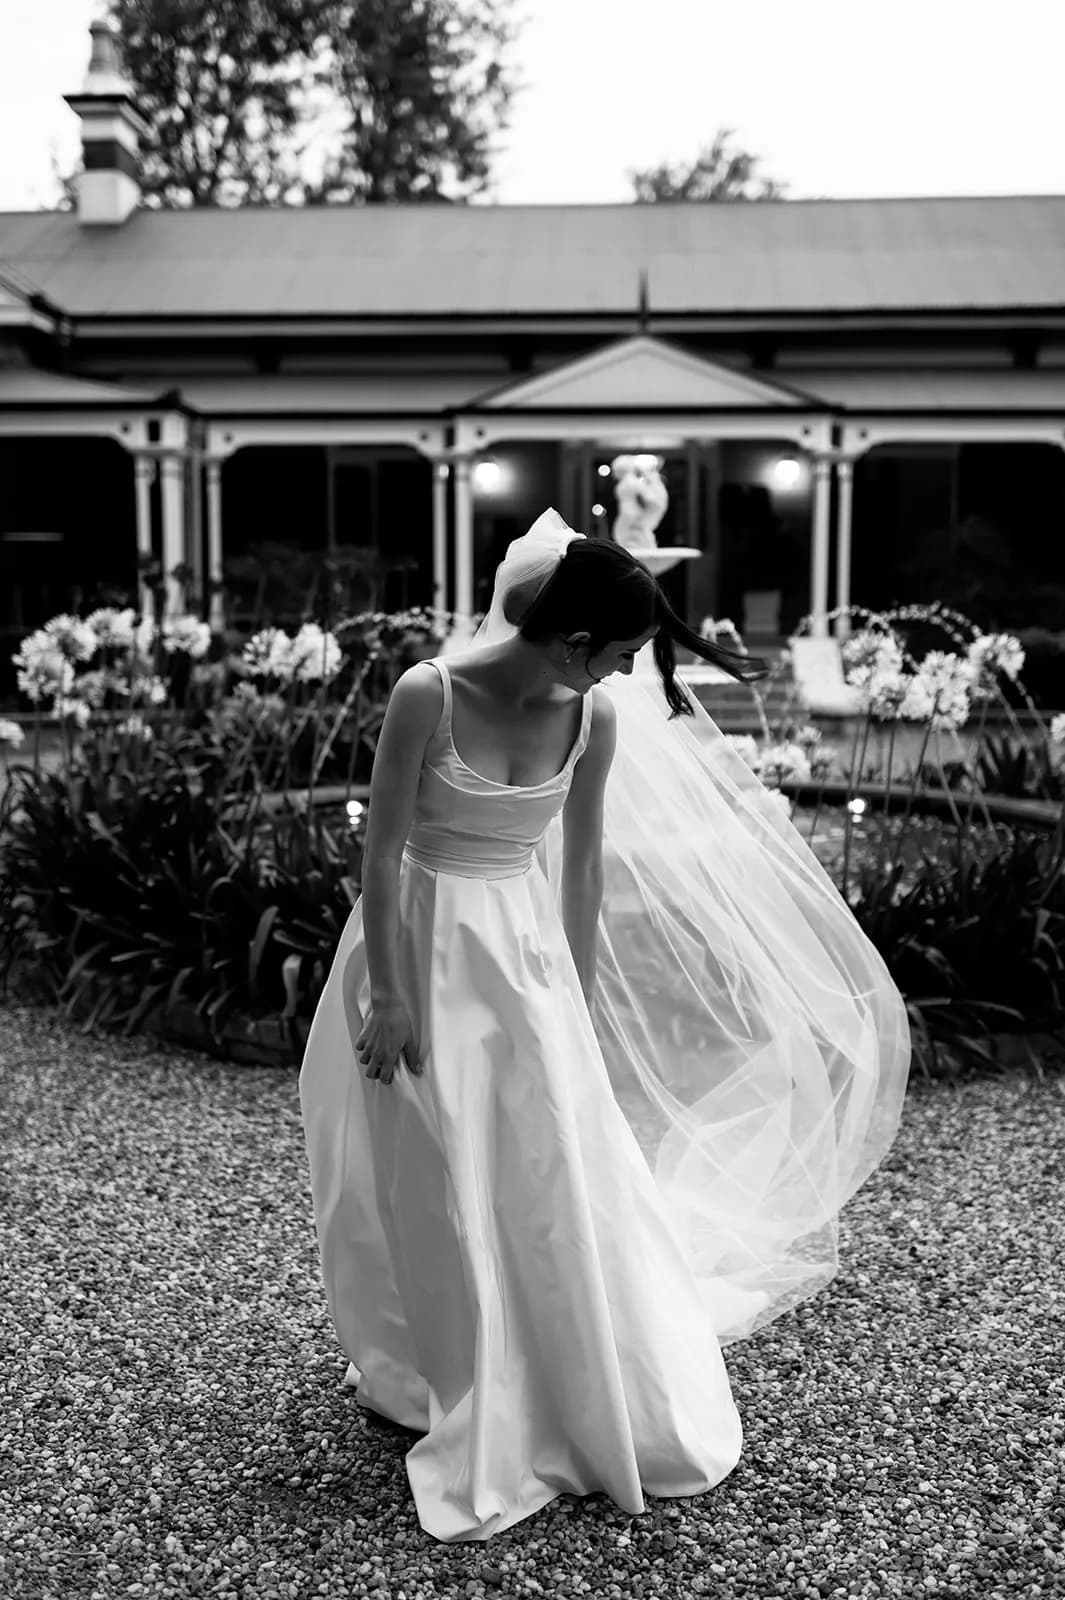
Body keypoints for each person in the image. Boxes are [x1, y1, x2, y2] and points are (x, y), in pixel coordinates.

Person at [299, 509, 910, 1544]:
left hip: (522, 953)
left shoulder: (597, 718)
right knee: (427, 1157)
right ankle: (443, 1359)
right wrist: (391, 994)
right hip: (415, 940)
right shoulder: (427, 693)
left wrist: (569, 999)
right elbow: (385, 847)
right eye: (620, 654)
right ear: (572, 641)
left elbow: (580, 864)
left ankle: (559, 1363)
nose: (625, 673)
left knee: (546, 1162)